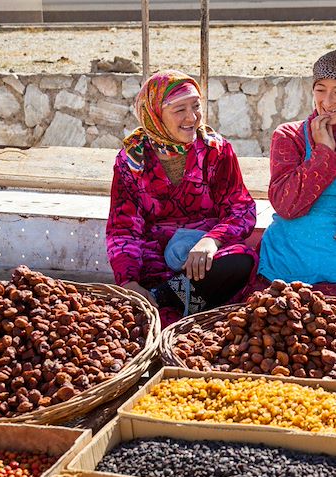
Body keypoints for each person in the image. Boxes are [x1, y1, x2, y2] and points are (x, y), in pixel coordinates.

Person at [106, 70, 257, 326]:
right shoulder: (131, 161)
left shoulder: (215, 152)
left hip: (203, 262)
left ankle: (168, 298)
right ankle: (174, 299)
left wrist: (212, 240)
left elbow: (241, 209)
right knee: (153, 320)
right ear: (155, 115)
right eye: (180, 110)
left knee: (241, 259)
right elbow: (123, 229)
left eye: (196, 106)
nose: (192, 117)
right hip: (154, 261)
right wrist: (129, 281)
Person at [253, 49, 336, 297]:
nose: (327, 102)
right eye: (320, 89)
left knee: (335, 331)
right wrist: (325, 153)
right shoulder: (289, 136)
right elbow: (286, 205)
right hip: (283, 260)